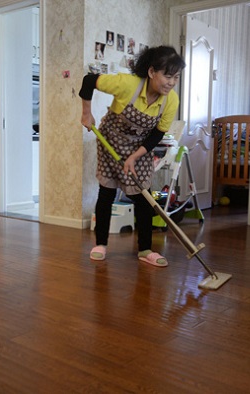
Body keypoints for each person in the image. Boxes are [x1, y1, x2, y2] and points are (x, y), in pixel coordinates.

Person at [79, 45, 185, 267]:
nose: (171, 82)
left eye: (175, 77)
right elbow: (89, 80)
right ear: (151, 72)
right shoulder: (127, 84)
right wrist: (87, 114)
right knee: (107, 193)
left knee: (143, 197)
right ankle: (100, 244)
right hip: (111, 144)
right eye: (167, 75)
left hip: (140, 148)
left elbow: (157, 133)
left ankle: (145, 249)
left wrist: (135, 157)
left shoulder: (170, 100)